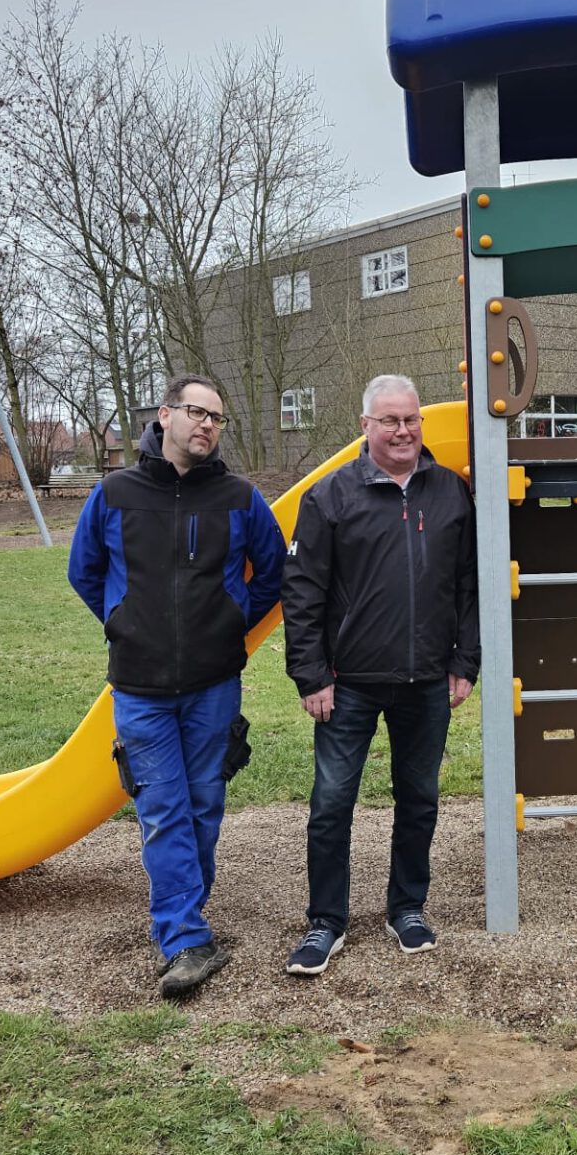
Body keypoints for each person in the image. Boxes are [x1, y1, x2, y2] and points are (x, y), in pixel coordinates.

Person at [68, 374, 286, 998]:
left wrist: (229, 627)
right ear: (165, 416)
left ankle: (183, 914)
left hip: (214, 685)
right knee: (162, 814)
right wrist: (122, 622)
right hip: (138, 689)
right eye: (196, 412)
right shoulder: (114, 494)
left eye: (217, 417)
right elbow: (84, 572)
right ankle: (185, 938)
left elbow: (271, 575)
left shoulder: (242, 500)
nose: (207, 424)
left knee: (202, 808)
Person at [282, 374, 480, 976]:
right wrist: (311, 675)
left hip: (427, 680)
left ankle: (408, 908)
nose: (402, 431)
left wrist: (464, 662)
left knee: (418, 798)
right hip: (349, 683)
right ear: (365, 426)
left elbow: (471, 586)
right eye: (389, 420)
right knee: (332, 801)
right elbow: (302, 592)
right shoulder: (330, 498)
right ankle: (326, 921)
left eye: (411, 420)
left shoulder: (451, 493)